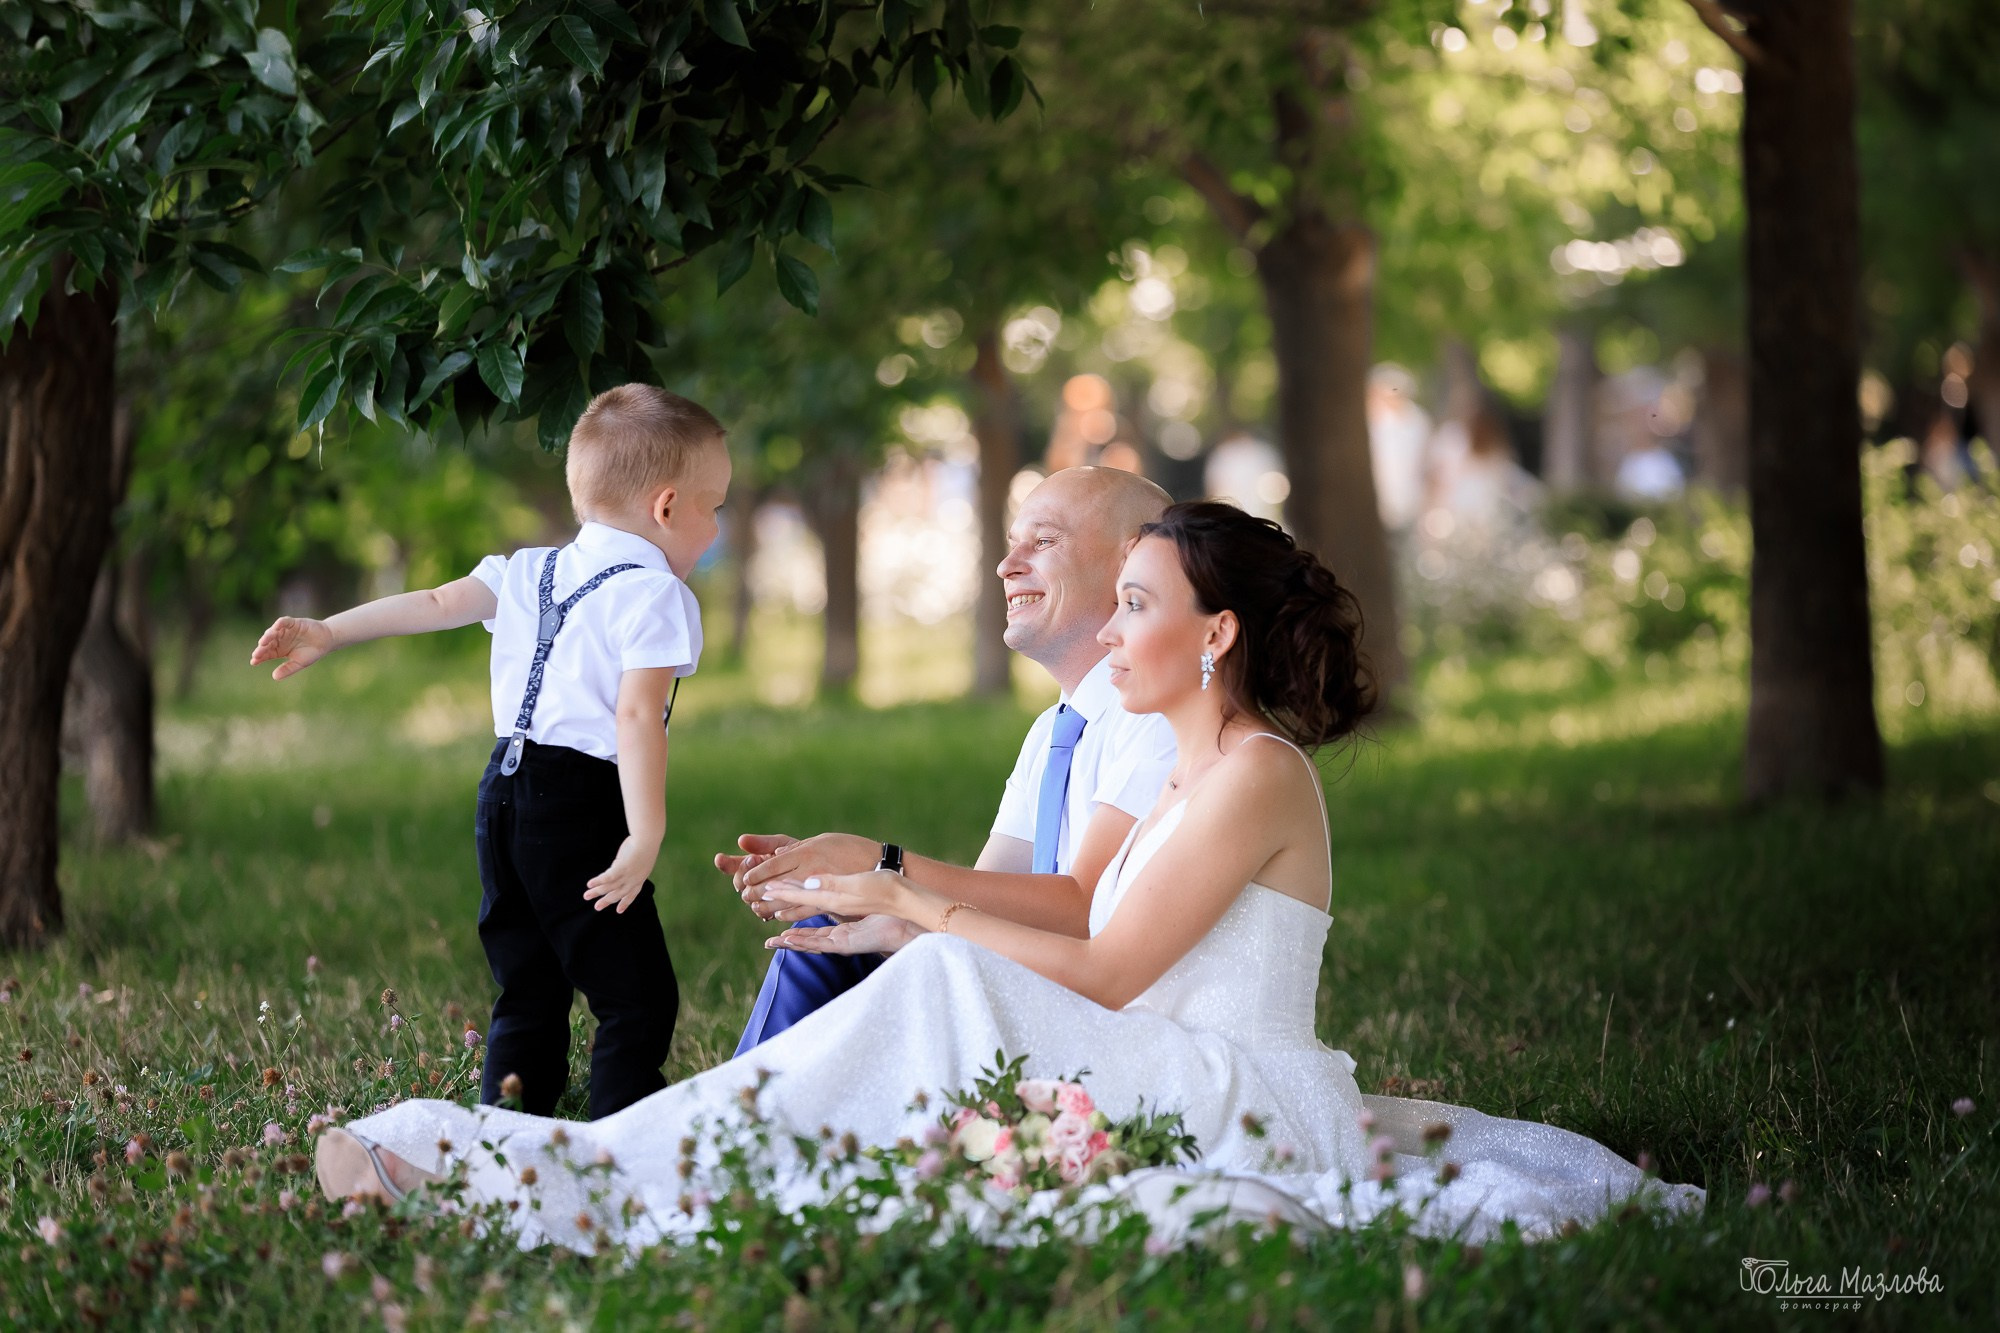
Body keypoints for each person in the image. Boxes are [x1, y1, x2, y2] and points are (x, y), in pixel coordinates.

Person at [317, 501, 1704, 1248]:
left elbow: (1107, 965)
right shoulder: (1168, 767)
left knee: (949, 989)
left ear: (1215, 636)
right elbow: (1079, 936)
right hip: (1138, 1058)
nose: (1115, 630)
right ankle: (595, 1165)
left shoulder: (1260, 775)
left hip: (1227, 1088)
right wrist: (886, 901)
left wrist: (919, 907)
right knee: (933, 994)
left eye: (1141, 605)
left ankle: (586, 1171)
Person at [258, 384, 727, 1119]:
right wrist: (644, 833)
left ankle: (503, 1135)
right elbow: (637, 715)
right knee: (635, 996)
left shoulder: (526, 569)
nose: (716, 525)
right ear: (667, 508)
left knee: (529, 988)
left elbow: (439, 603)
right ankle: (624, 1148)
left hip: (501, 797)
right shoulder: (654, 594)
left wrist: (332, 629)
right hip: (578, 806)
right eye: (715, 506)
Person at [721, 465, 1178, 1052]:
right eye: (1013, 542)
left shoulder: (1160, 720)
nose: (1007, 564)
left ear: (1132, 562)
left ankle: (735, 1128)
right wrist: (842, 883)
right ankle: (750, 1122)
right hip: (1037, 975)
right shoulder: (1053, 730)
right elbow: (991, 892)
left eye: (1043, 541)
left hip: (1104, 1010)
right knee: (828, 931)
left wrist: (884, 865)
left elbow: (1085, 907)